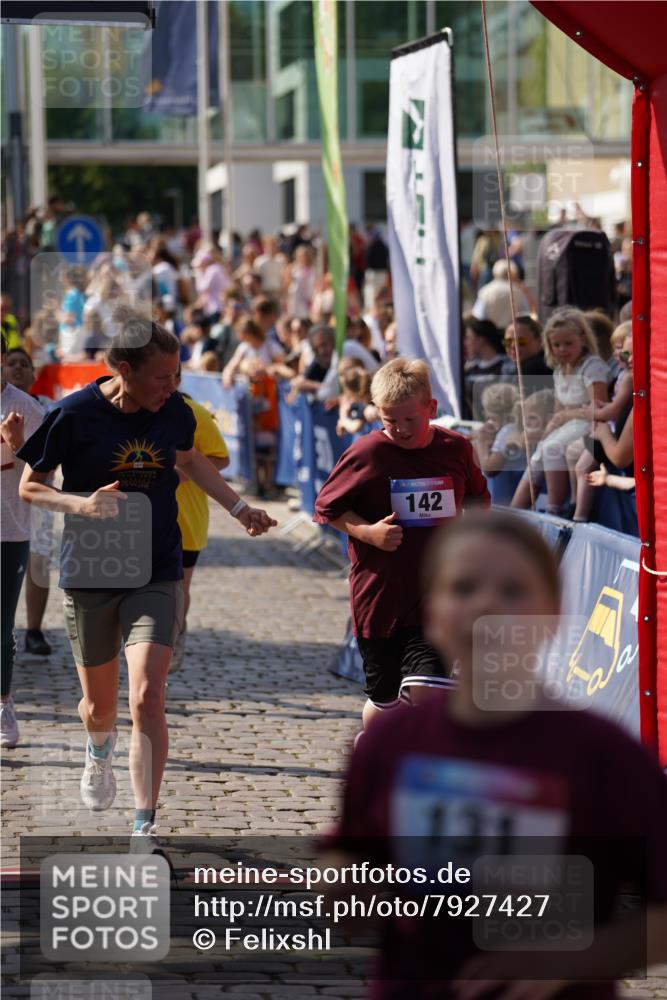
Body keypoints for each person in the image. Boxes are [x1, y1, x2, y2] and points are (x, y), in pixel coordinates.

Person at [329, 509, 667, 998]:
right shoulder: (390, 742)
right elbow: (351, 865)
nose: (487, 605)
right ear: (433, 611)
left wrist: (579, 957)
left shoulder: (605, 755)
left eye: (512, 591)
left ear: (554, 613)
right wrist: (344, 887)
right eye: (464, 588)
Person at [17, 306, 276, 841]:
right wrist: (81, 504)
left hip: (156, 567)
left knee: (147, 696)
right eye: (162, 377)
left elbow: (190, 459)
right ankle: (98, 750)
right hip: (91, 571)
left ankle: (143, 824)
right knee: (99, 706)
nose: (172, 386)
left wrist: (239, 509)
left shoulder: (174, 411)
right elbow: (29, 486)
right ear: (123, 370)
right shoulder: (73, 415)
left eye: (177, 375)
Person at [314, 358, 490, 735]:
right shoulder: (367, 453)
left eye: (410, 419)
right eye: (389, 420)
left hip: (438, 595)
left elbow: (477, 498)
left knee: (428, 690)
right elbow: (327, 508)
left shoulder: (455, 448)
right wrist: (368, 533)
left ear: (432, 409)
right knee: (384, 704)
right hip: (381, 597)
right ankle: (374, 748)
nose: (400, 429)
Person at [511, 308, 608, 515]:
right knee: (536, 457)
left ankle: (555, 508)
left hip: (590, 426)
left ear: (582, 339)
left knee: (551, 448)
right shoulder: (559, 371)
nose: (562, 349)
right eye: (557, 345)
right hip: (570, 425)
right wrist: (550, 427)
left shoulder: (592, 367)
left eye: (568, 343)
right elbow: (559, 410)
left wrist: (565, 416)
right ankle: (514, 513)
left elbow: (599, 407)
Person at [1, 335, 45, 748]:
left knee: (0, 626)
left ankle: (4, 702)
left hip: (8, 530)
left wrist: (19, 446)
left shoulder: (24, 406)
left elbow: (48, 467)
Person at [170, 375, 230, 673]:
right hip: (146, 516)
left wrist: (184, 470)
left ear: (178, 377)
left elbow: (220, 459)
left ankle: (175, 639)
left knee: (179, 586)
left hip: (188, 517)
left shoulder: (194, 412)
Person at [1, 347, 56, 656]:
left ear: (35, 375)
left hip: (37, 498)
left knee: (38, 561)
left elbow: (51, 459)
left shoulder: (43, 408)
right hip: (5, 500)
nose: (18, 369)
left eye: (25, 364)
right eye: (12, 363)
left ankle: (34, 629)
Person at [462, 316, 506, 420]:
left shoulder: (506, 366)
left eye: (468, 338)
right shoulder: (469, 370)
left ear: (481, 340)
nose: (466, 343)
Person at [471, 259, 531, 330]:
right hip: (512, 336)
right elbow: (525, 315)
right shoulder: (518, 292)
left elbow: (478, 315)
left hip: (491, 336)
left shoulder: (485, 291)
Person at [501, 314, 554, 393]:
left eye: (520, 341)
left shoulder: (534, 368)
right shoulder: (513, 367)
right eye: (507, 342)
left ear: (540, 341)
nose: (512, 346)